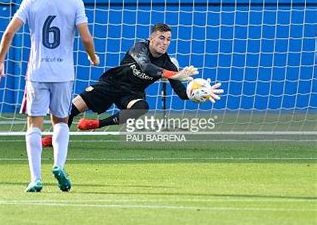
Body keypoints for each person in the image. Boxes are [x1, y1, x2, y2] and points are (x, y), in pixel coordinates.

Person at [0, 0, 99, 193]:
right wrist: (92, 55)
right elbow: (86, 37)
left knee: (33, 124)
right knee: (60, 121)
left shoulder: (31, 1)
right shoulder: (74, 1)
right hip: (63, 72)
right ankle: (58, 166)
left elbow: (9, 32)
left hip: (37, 72)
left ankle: (35, 179)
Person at [42, 23, 223, 147]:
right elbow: (146, 67)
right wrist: (175, 74)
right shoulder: (139, 47)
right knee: (70, 109)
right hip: (111, 83)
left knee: (141, 107)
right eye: (161, 38)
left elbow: (182, 95)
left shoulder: (169, 64)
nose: (165, 43)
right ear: (151, 39)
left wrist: (201, 93)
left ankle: (95, 124)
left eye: (168, 39)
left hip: (132, 93)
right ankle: (54, 138)